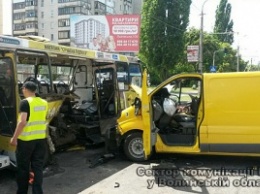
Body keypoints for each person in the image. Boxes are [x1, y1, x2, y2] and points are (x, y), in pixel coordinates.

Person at [10, 81, 48, 194]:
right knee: (38, 167)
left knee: (23, 168)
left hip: (26, 141)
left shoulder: (25, 102)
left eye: (22, 89)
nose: (22, 91)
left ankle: (22, 192)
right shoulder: (44, 102)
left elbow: (22, 122)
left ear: (25, 89)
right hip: (41, 140)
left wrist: (14, 138)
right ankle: (37, 192)